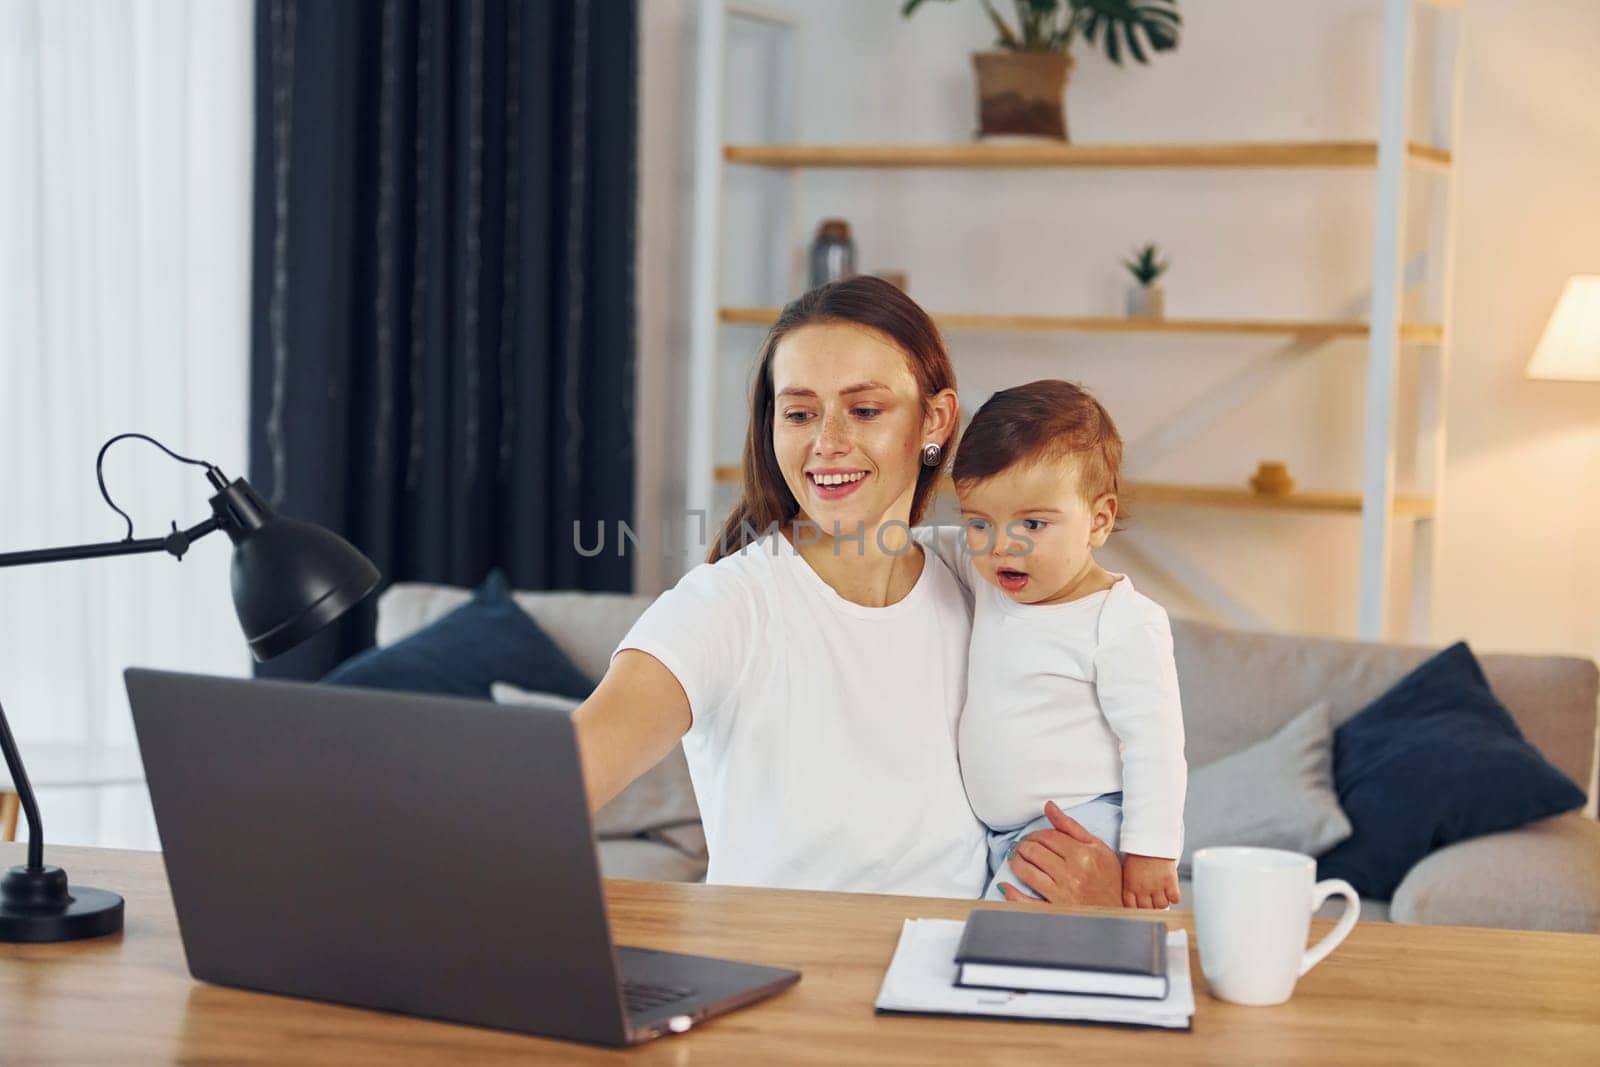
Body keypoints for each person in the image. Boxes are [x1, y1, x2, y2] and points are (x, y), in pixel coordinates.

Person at [571, 277, 1123, 904]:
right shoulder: (725, 607)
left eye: (864, 410)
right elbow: (556, 785)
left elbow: (1100, 752)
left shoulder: (985, 581)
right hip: (781, 985)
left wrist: (1105, 881)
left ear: (934, 421)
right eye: (800, 413)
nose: (827, 443)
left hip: (951, 978)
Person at [939, 380, 1187, 909]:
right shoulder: (990, 574)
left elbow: (1155, 745)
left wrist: (1150, 852)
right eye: (979, 522)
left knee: (1007, 939)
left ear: (1098, 521)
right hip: (998, 834)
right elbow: (911, 547)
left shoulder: (1122, 621)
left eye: (1033, 522)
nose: (1003, 544)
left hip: (1079, 823)